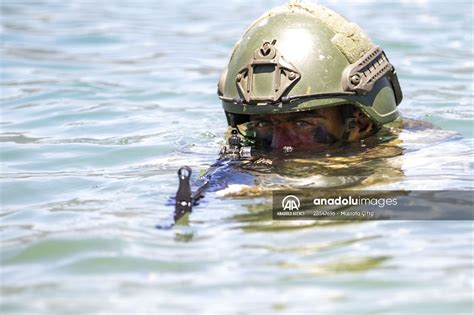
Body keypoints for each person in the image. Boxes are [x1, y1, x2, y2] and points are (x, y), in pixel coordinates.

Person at [217, 2, 403, 153]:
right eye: (262, 123)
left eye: (302, 124)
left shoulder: (417, 154)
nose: (278, 146)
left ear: (361, 124)